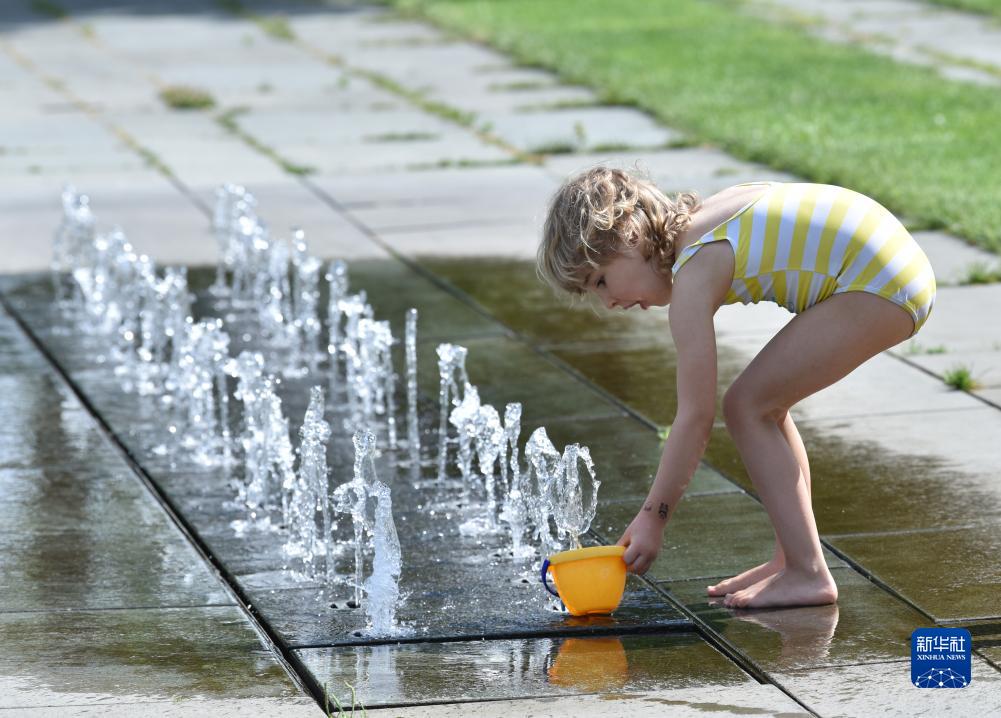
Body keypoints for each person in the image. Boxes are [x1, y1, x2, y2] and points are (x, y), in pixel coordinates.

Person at [536, 166, 936, 609]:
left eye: (600, 281)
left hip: (879, 282)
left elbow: (694, 417)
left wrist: (654, 516)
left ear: (629, 233)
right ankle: (792, 557)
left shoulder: (693, 272)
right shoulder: (705, 220)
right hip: (892, 265)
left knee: (747, 406)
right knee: (765, 405)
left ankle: (807, 573)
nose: (608, 303)